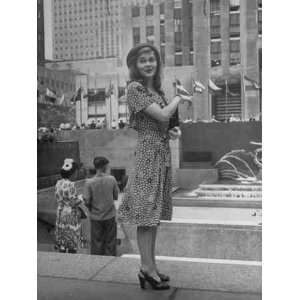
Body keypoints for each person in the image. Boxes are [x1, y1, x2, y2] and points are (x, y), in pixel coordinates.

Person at [117, 43, 191, 290]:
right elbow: (161, 116)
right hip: (148, 156)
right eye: (143, 61)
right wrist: (180, 97)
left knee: (153, 217)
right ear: (135, 66)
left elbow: (162, 124)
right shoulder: (134, 88)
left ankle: (151, 266)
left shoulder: (157, 93)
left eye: (152, 59)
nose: (149, 64)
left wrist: (172, 132)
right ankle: (145, 268)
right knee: (145, 216)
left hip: (160, 153)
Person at [84, 157, 119, 256]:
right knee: (111, 241)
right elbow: (116, 196)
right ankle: (111, 261)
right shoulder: (112, 179)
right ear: (105, 166)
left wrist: (91, 207)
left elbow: (86, 201)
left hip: (95, 217)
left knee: (96, 242)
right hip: (110, 216)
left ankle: (97, 262)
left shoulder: (89, 182)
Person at [55, 158, 86, 253]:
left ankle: (62, 254)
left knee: (62, 236)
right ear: (72, 173)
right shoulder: (71, 185)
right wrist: (81, 198)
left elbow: (60, 198)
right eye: (76, 172)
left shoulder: (58, 183)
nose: (77, 174)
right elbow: (73, 202)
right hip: (70, 215)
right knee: (71, 237)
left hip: (60, 212)